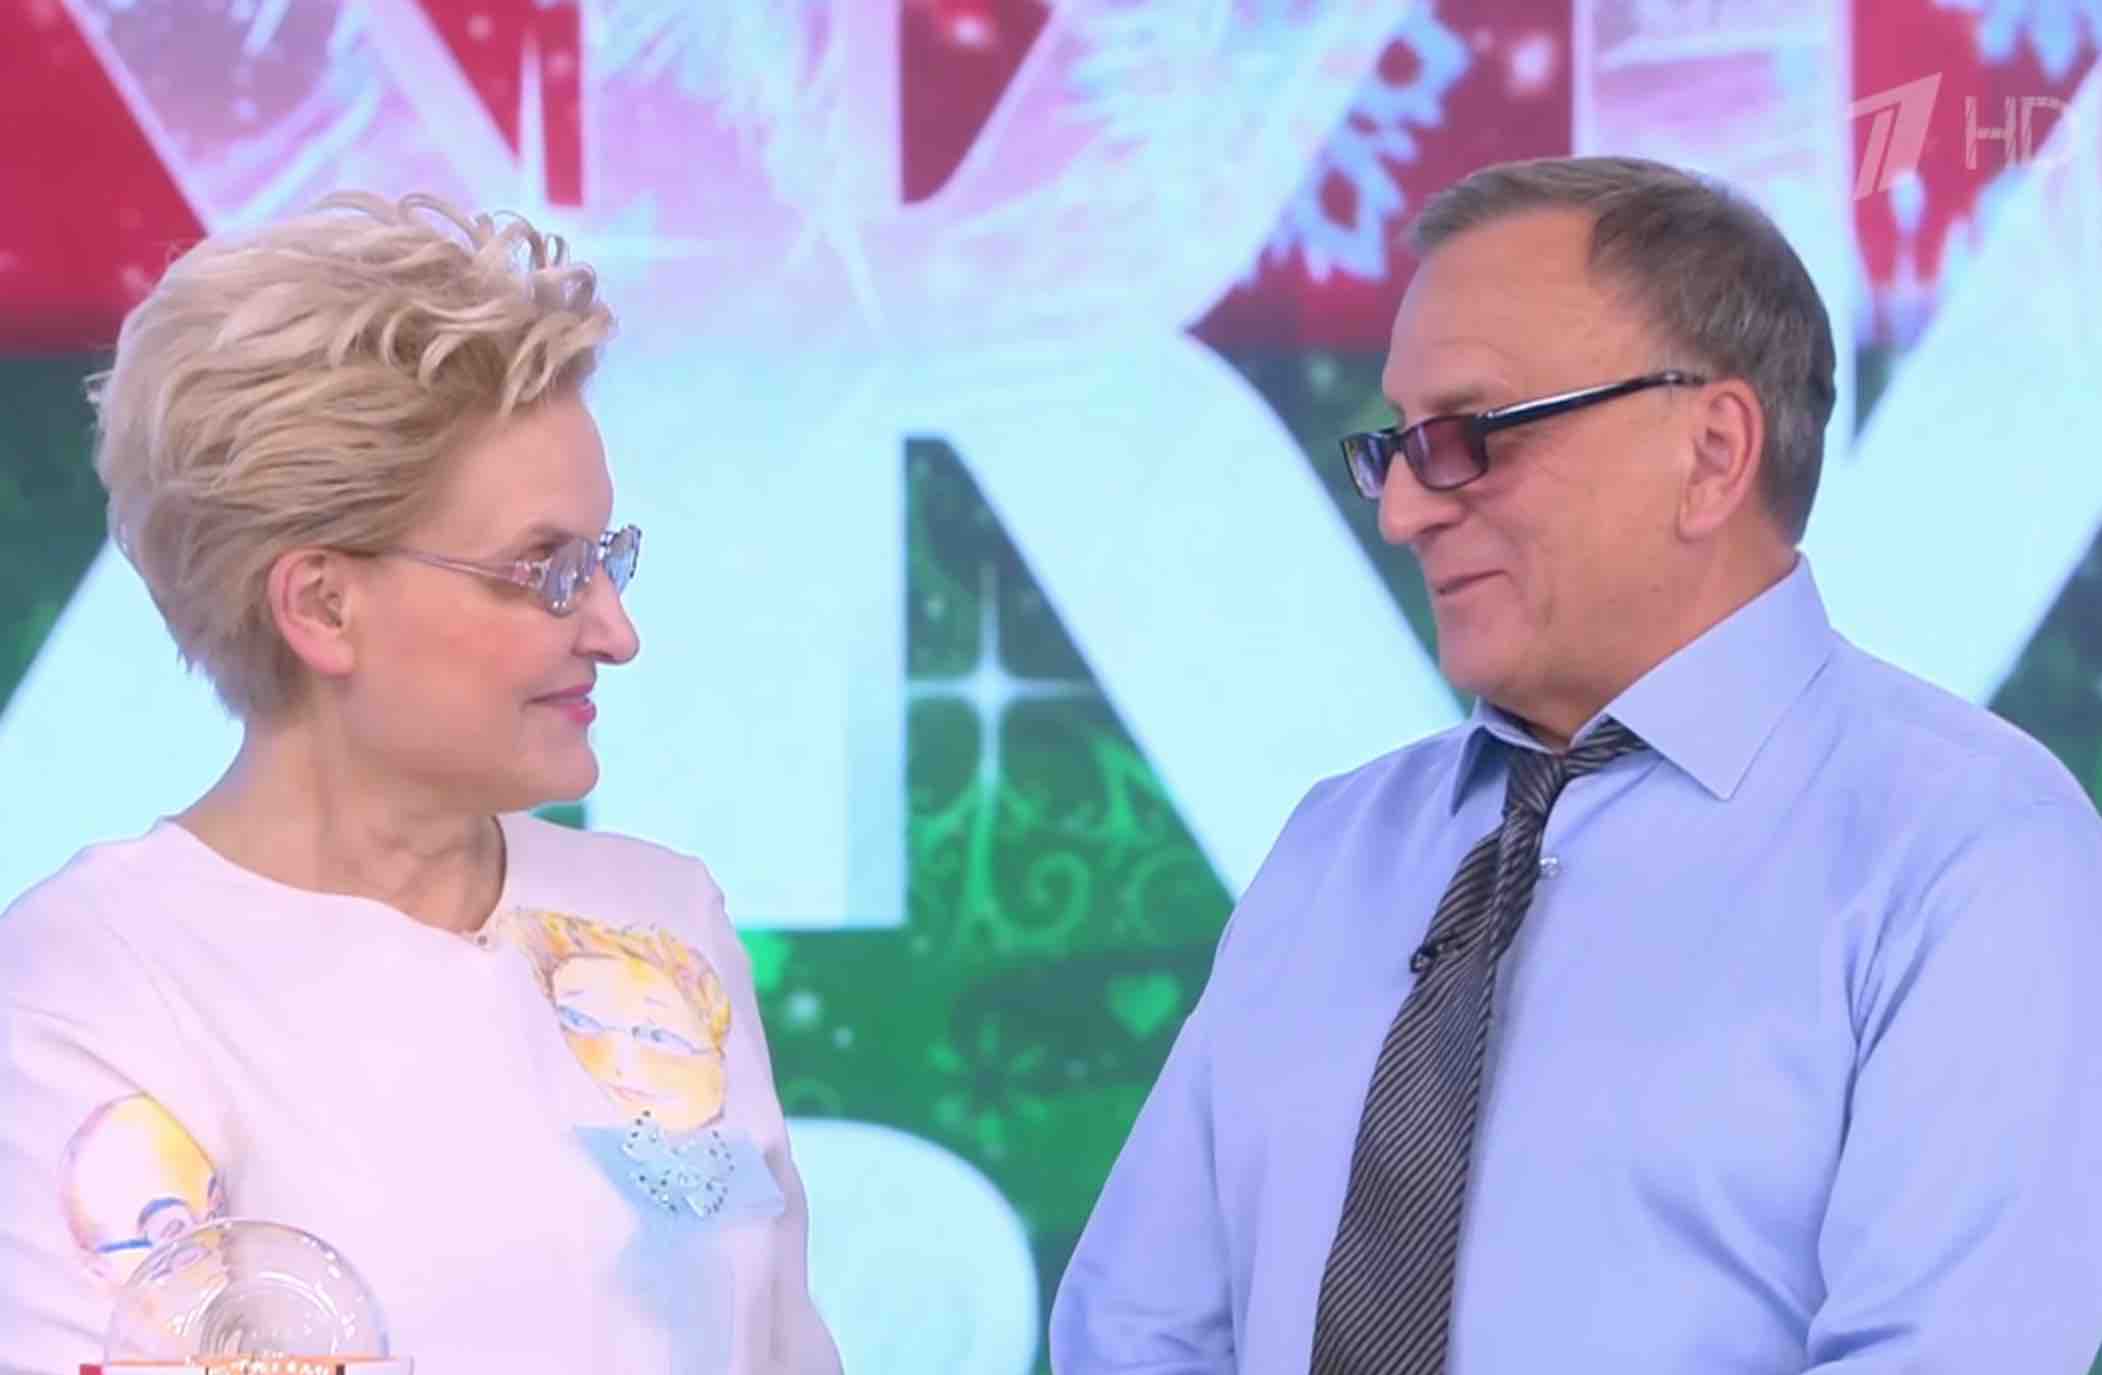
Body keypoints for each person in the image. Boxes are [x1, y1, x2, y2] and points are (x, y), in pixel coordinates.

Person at [1050, 155, 2102, 1373]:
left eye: (1467, 435)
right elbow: (1136, 1329)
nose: (1401, 512)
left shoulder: (1970, 850)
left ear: (1710, 451)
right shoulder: (1334, 844)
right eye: (1395, 445)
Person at [0, 193, 842, 1375]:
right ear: (321, 605)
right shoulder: (91, 989)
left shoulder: (661, 922)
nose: (614, 629)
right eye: (545, 569)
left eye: (606, 558)